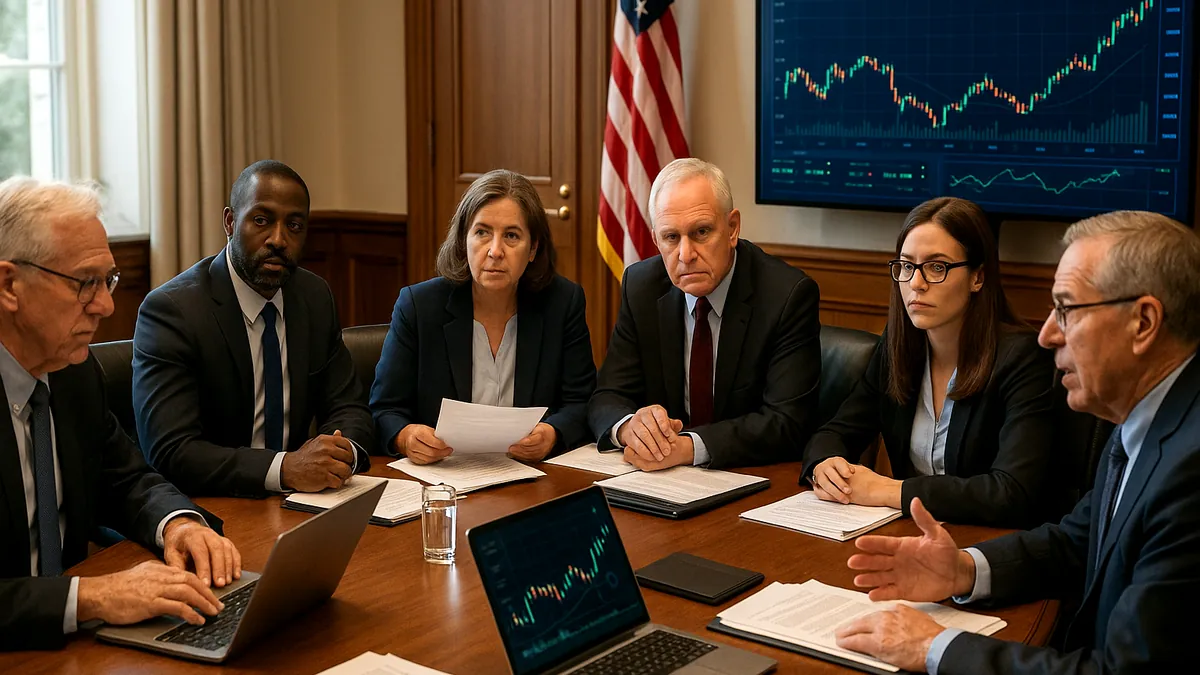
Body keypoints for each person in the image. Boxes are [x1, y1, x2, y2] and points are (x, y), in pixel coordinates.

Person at [833, 211, 1200, 673]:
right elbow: (1075, 543)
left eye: (1066, 309)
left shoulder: (1190, 468)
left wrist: (936, 649)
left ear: (1143, 322)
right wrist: (963, 569)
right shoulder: (1144, 421)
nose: (1047, 333)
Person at [0, 178, 242, 651]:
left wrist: (178, 523)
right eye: (83, 284)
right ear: (9, 285)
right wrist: (89, 596)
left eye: (106, 281)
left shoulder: (72, 373)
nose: (107, 306)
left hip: (76, 647)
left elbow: (125, 477)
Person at [802, 198, 1059, 527]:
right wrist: (824, 463)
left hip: (988, 545)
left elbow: (1012, 493)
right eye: (907, 266)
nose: (916, 283)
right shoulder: (897, 347)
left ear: (977, 277)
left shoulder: (1022, 359)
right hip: (913, 535)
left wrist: (893, 491)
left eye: (937, 267)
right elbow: (837, 430)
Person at [133, 161, 374, 497]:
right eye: (261, 220)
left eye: (294, 225)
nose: (278, 239)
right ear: (230, 222)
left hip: (303, 501)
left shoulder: (314, 297)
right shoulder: (174, 312)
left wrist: (341, 451)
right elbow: (172, 451)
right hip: (213, 505)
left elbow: (348, 405)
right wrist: (285, 469)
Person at [588, 158, 821, 470]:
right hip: (661, 482)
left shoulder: (786, 295)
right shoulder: (642, 286)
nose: (685, 255)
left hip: (750, 478)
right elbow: (608, 395)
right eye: (671, 237)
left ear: (732, 228)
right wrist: (631, 428)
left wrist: (688, 447)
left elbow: (787, 423)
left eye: (701, 232)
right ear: (656, 240)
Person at [371, 169, 595, 463]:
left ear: (533, 248)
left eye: (512, 236)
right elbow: (384, 409)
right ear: (464, 240)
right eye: (482, 232)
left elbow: (582, 401)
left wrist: (553, 432)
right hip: (445, 479)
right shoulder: (419, 306)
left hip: (529, 477)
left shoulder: (562, 303)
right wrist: (405, 436)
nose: (495, 251)